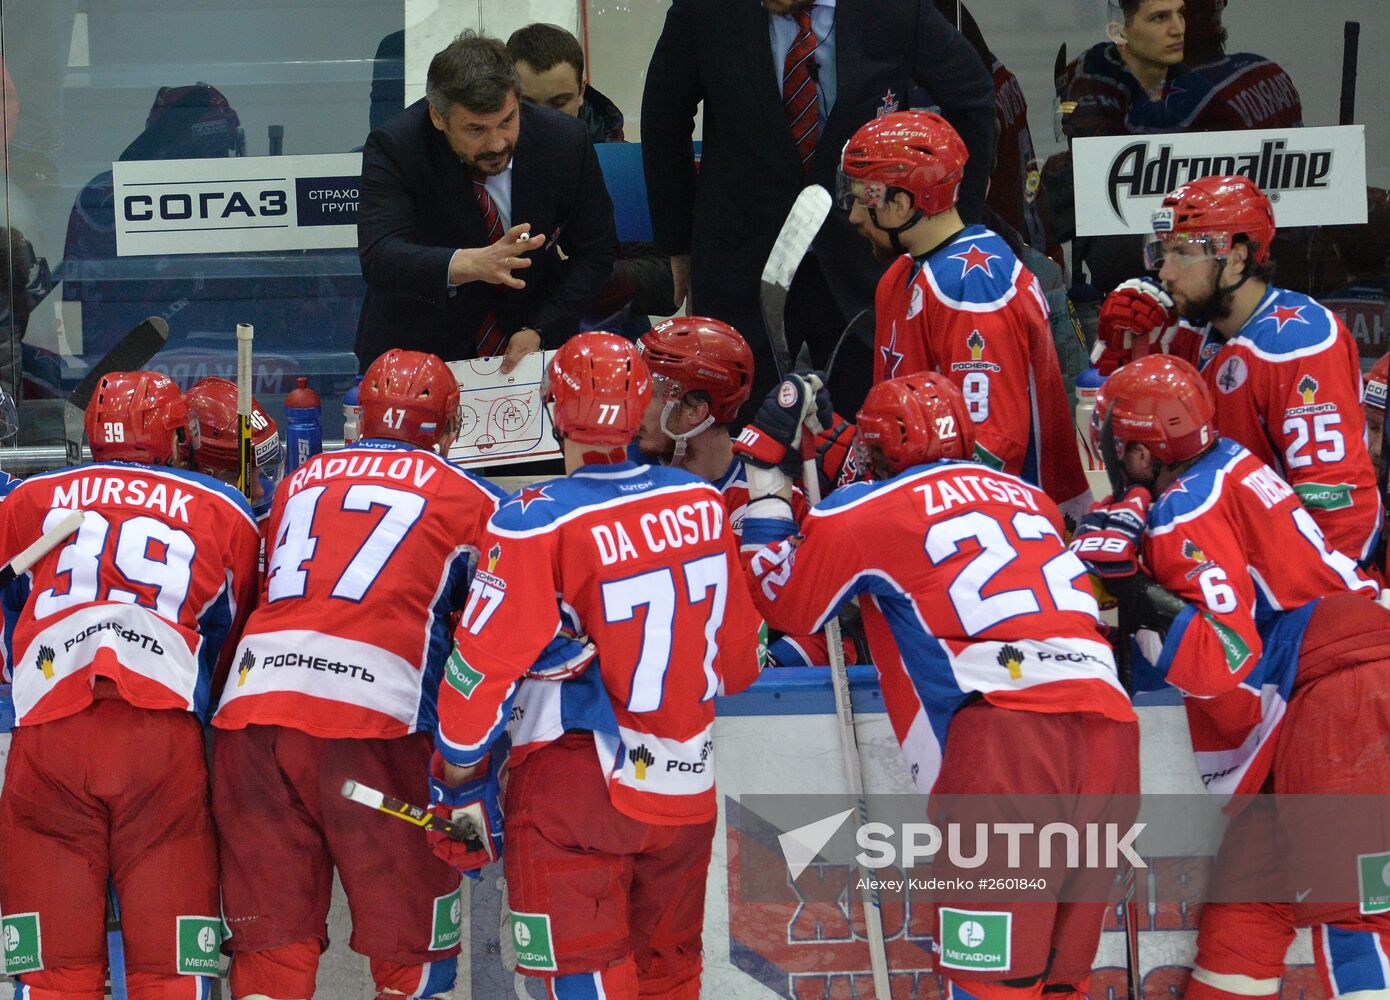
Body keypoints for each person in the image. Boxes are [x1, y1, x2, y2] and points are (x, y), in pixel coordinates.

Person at [737, 371, 1138, 996]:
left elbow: (786, 603)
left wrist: (763, 484)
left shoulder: (863, 509)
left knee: (992, 987)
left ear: (879, 452)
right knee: (1061, 985)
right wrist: (841, 437)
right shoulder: (1024, 494)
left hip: (1009, 748)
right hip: (1112, 736)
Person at [430, 332, 763, 998]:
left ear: (555, 412)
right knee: (669, 978)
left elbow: (475, 676)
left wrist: (459, 785)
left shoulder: (533, 520)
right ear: (642, 403)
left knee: (583, 981)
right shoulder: (701, 504)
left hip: (576, 792)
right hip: (684, 794)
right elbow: (738, 662)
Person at [1073, 355, 1390, 1000]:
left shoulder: (1180, 513)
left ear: (1138, 452)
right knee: (1246, 914)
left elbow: (1224, 660)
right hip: (1323, 700)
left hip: (1344, 699)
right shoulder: (1234, 462)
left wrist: (1137, 595)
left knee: (1355, 918)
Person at [210, 349, 505, 1000]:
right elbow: (516, 626)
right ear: (451, 425)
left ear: (355, 417)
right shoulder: (474, 498)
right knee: (411, 955)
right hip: (374, 735)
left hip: (254, 726)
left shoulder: (298, 481)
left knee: (271, 949)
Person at [0, 370, 259, 1000]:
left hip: (45, 735)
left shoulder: (27, 498)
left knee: (53, 974)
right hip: (159, 740)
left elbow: (8, 607)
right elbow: (239, 635)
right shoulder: (223, 507)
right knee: (171, 971)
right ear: (176, 437)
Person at [641, 0, 996, 422]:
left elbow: (972, 98)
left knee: (873, 433)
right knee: (743, 437)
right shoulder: (705, 10)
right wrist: (679, 244)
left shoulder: (896, 9)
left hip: (864, 264)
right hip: (742, 264)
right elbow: (664, 117)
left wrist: (950, 234)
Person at [1094, 175, 1380, 562]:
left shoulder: (1298, 343)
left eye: (1182, 253)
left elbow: (1337, 503)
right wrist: (1123, 347)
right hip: (1213, 553)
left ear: (1237, 258)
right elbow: (1131, 449)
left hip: (1277, 579)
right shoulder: (1190, 327)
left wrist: (1315, 599)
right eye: (1162, 252)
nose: (1165, 272)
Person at [838, 110, 1091, 521]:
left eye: (860, 199)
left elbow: (992, 453)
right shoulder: (902, 276)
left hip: (1008, 531)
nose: (852, 217)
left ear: (901, 204)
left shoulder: (974, 288)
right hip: (933, 509)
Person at [356, 32, 617, 372]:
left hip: (530, 350)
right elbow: (380, 256)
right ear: (438, 117)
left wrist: (541, 328)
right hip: (418, 352)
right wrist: (467, 264)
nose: (496, 143)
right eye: (476, 130)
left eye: (507, 120)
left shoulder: (564, 141)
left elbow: (595, 253)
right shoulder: (396, 146)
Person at [506, 22, 676, 336]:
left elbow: (669, 281)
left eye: (559, 103)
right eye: (529, 106)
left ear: (582, 91)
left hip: (610, 331)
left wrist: (568, 274)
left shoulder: (623, 163)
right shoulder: (490, 165)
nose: (547, 119)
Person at [183, 375, 282, 522]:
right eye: (238, 476)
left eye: (260, 470)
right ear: (193, 470)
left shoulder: (273, 500)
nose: (260, 491)